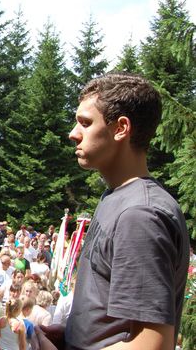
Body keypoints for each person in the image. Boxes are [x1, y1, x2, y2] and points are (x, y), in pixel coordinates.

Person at [43, 73, 189, 349]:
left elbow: (151, 344)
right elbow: (116, 325)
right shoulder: (117, 198)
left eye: (85, 123)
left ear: (121, 128)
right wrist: (73, 336)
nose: (73, 134)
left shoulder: (140, 215)